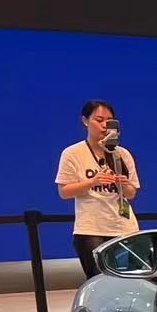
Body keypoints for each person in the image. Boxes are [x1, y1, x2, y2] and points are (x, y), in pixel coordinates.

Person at [56, 100, 141, 278]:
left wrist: (123, 184)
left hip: (125, 226)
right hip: (91, 229)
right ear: (85, 121)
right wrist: (92, 182)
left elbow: (131, 193)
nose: (104, 125)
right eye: (99, 120)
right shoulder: (72, 153)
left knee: (134, 279)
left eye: (109, 121)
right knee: (100, 281)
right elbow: (64, 192)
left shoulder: (122, 154)